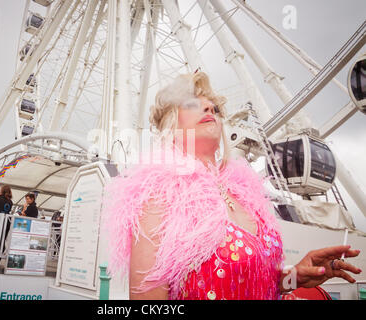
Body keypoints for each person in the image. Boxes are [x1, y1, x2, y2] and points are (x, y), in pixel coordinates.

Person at [101, 72, 362, 300]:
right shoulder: (157, 196)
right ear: (171, 121)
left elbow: (248, 280)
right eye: (194, 104)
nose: (209, 109)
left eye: (214, 108)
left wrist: (293, 276)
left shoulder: (245, 196)